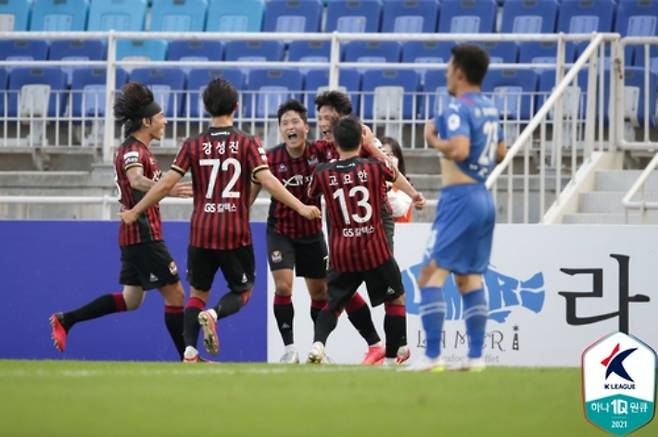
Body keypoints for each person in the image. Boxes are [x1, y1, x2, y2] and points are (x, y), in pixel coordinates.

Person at [119, 78, 321, 363]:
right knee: (244, 290)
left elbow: (164, 185)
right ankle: (213, 315)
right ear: (236, 107)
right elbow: (268, 181)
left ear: (205, 108)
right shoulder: (248, 143)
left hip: (201, 232)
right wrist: (301, 206)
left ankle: (190, 350)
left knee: (197, 293)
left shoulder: (193, 144)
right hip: (234, 232)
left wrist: (135, 210)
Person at [49, 82, 193, 360]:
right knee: (175, 294)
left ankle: (66, 320)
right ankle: (187, 358)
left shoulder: (141, 150)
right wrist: (167, 188)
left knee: (131, 300)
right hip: (142, 234)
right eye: (161, 117)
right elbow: (136, 179)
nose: (165, 121)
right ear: (146, 121)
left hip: (135, 233)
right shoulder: (132, 151)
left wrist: (167, 187)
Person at [250, 99, 386, 364]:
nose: (290, 127)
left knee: (323, 294)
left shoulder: (321, 151)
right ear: (280, 130)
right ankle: (290, 350)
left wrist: (370, 141)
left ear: (305, 127)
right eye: (285, 123)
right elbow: (253, 186)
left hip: (312, 233)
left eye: (295, 122)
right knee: (283, 286)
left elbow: (352, 146)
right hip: (280, 230)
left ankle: (325, 347)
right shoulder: (271, 157)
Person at [405, 44, 506, 372]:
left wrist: (434, 141)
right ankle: (475, 357)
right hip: (483, 196)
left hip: (459, 199)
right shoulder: (489, 108)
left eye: (449, 67)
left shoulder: (457, 108)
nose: (447, 72)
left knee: (429, 275)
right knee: (469, 278)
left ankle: (432, 356)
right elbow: (502, 152)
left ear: (460, 72)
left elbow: (460, 149)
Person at [306, 115, 425, 365]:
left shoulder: (322, 172)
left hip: (343, 252)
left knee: (333, 303)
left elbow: (310, 193)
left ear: (335, 143)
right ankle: (393, 358)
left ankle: (318, 344)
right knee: (396, 298)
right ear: (361, 140)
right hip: (375, 249)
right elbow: (393, 173)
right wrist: (414, 195)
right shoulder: (374, 166)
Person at [380, 137, 413, 223]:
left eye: (391, 155)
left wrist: (385, 183)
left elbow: (397, 210)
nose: (387, 159)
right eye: (383, 154)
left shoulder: (406, 187)